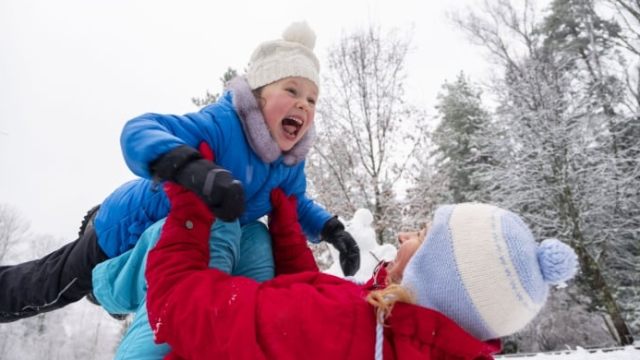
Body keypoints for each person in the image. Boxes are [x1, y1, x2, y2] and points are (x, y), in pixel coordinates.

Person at [0, 20, 360, 323]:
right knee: (52, 288)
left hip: (173, 248)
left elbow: (296, 204)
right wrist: (191, 167)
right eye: (292, 89)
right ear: (259, 96)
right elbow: (139, 130)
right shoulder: (222, 125)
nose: (303, 103)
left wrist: (332, 230)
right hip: (124, 229)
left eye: (312, 99)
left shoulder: (288, 165)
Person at [143, 182, 579, 360]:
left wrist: (189, 206)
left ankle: (95, 278)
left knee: (165, 245)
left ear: (436, 274)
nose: (406, 232)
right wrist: (289, 231)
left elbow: (175, 304)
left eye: (423, 234)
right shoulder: (390, 334)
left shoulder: (342, 324)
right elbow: (300, 323)